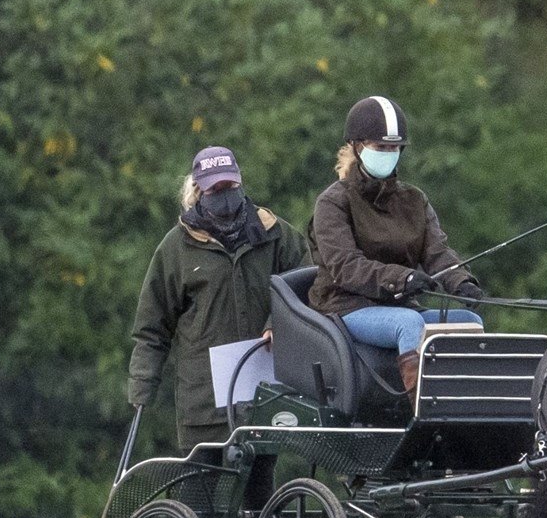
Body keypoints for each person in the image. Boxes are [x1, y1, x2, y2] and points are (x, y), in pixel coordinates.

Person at [127, 146, 310, 464]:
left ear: (240, 183)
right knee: (199, 498)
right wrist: (143, 387)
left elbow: (308, 279)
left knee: (258, 501)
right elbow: (152, 329)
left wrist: (277, 321)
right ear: (198, 191)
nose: (225, 194)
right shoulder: (176, 248)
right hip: (204, 403)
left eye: (231, 186)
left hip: (262, 395)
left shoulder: (272, 233)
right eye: (216, 189)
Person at [307, 96, 484, 401]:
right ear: (357, 147)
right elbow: (345, 266)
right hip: (348, 306)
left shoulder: (414, 200)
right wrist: (403, 279)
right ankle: (420, 408)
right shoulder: (333, 202)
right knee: (409, 324)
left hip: (399, 306)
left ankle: (468, 405)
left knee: (470, 323)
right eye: (381, 147)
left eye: (394, 148)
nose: (389, 154)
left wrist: (461, 283)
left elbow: (437, 252)